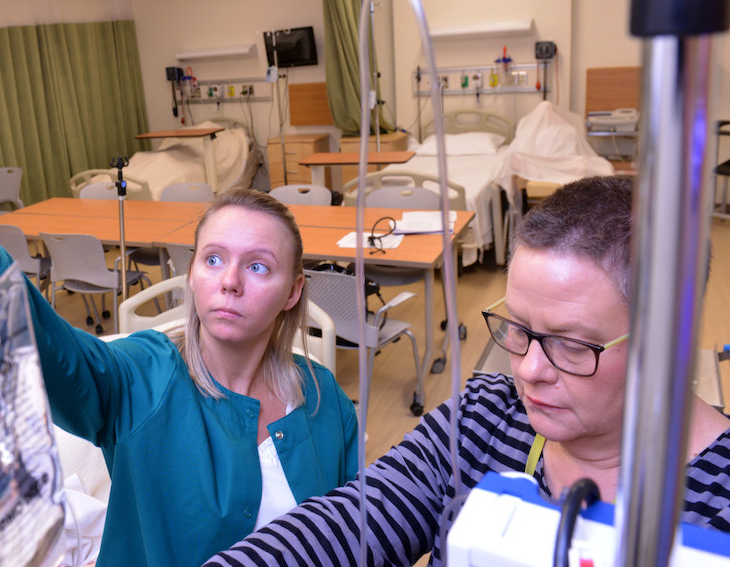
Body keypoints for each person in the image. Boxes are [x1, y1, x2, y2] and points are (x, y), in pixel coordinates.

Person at [0, 98, 360, 567]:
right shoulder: (142, 378)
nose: (228, 281)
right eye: (213, 258)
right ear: (192, 274)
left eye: (257, 267)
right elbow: (40, 348)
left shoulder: (325, 402)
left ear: (293, 292)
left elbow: (354, 535)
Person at [204, 175, 730, 567]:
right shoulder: (482, 421)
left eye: (570, 346)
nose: (528, 370)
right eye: (518, 328)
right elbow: (344, 525)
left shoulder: (716, 501)